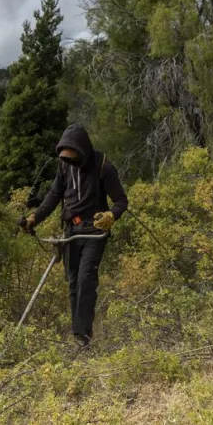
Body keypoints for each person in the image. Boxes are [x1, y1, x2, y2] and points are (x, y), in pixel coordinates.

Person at [18, 123, 128, 348]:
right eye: (65, 158)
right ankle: (78, 336)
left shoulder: (103, 166)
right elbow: (53, 195)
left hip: (94, 232)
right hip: (71, 232)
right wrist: (33, 219)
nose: (69, 162)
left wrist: (111, 215)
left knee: (86, 280)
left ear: (83, 151)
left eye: (72, 158)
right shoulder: (64, 166)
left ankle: (82, 339)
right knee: (74, 284)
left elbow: (121, 201)